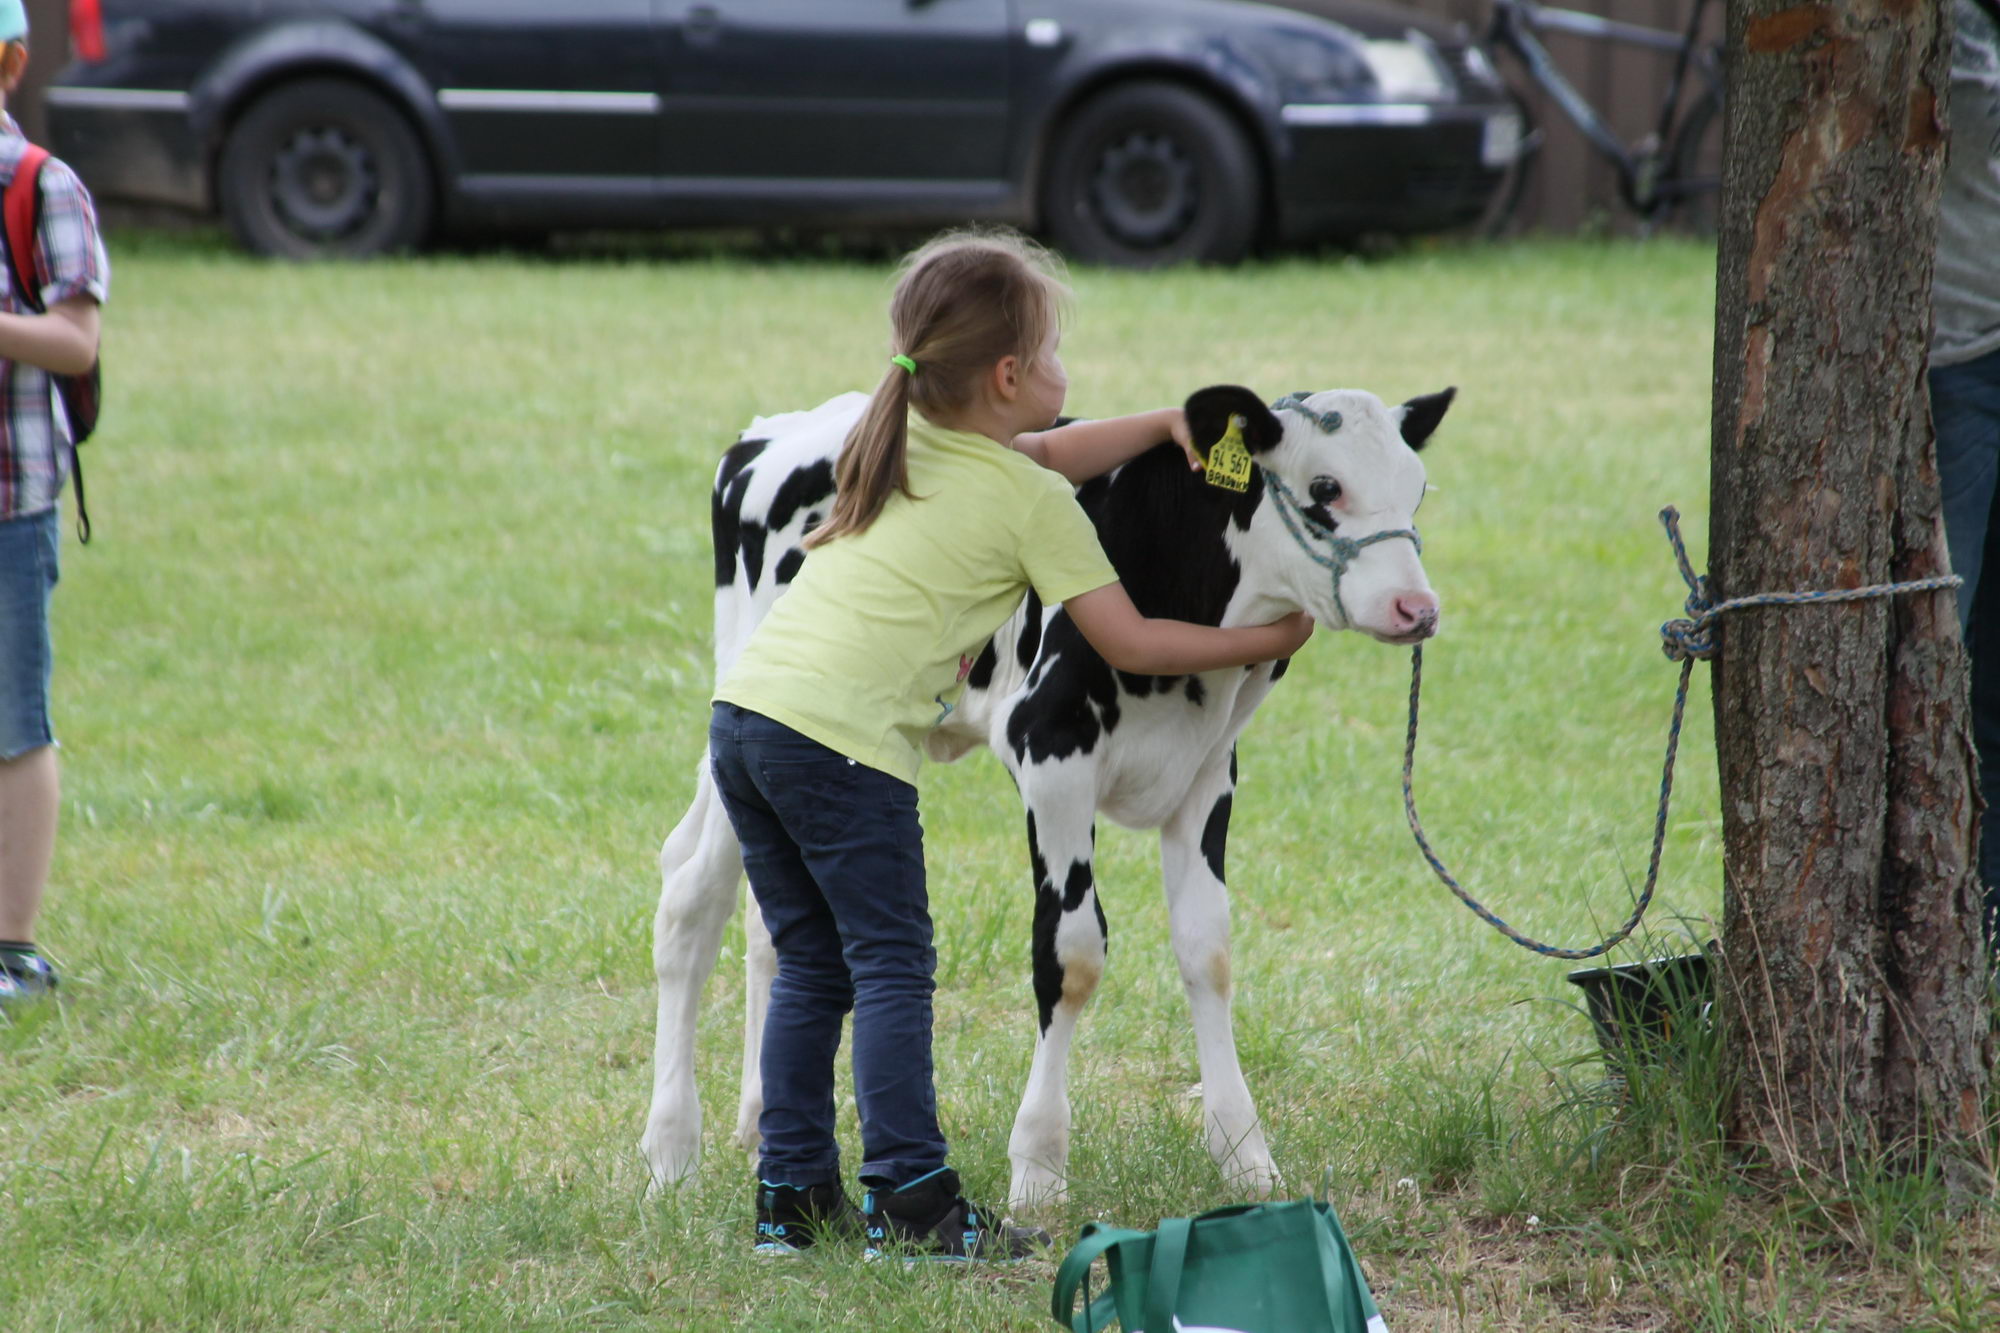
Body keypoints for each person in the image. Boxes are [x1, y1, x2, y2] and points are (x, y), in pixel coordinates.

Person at [710, 229, 1313, 1260]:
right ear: (1007, 375)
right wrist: (1267, 634)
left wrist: (1164, 424)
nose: (1065, 376)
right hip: (844, 747)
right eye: (1052, 354)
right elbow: (1123, 637)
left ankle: (790, 1199)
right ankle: (911, 1197)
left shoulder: (905, 443)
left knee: (811, 962)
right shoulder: (1029, 503)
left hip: (747, 718)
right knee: (893, 963)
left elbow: (1049, 446)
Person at [0, 0, 110, 1010]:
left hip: (11, 502)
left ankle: (13, 942)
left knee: (14, 720)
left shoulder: (43, 186)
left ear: (12, 62)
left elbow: (76, 341)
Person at [1932, 0, 2000, 955]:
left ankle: (1984, 930)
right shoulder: (1937, 23)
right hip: (1952, 363)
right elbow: (1968, 115)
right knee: (1935, 655)